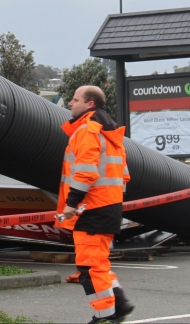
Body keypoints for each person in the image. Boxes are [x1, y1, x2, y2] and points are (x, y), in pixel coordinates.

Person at [55, 85, 134, 324]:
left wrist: (71, 204)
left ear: (90, 104)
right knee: (98, 263)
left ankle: (104, 316)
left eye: (75, 99)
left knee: (89, 268)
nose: (70, 103)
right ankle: (118, 304)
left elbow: (86, 172)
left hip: (91, 208)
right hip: (106, 206)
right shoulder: (110, 133)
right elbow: (124, 176)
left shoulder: (87, 131)